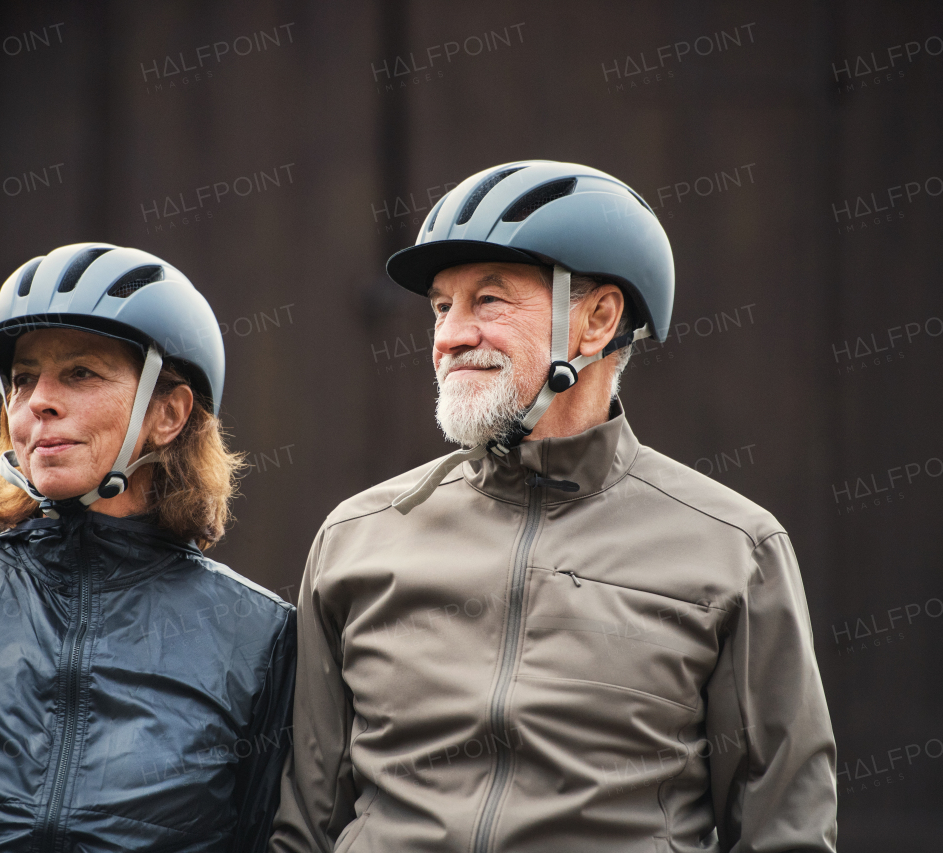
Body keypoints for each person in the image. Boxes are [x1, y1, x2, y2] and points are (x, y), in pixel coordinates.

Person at [270, 161, 837, 852]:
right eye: (442, 306)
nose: (448, 335)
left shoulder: (733, 548)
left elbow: (785, 829)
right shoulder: (356, 539)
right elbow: (304, 826)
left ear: (597, 319)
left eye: (489, 300)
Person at [0, 243, 296, 853]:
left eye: (80, 373)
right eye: (21, 379)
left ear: (167, 413)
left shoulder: (259, 633)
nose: (37, 401)